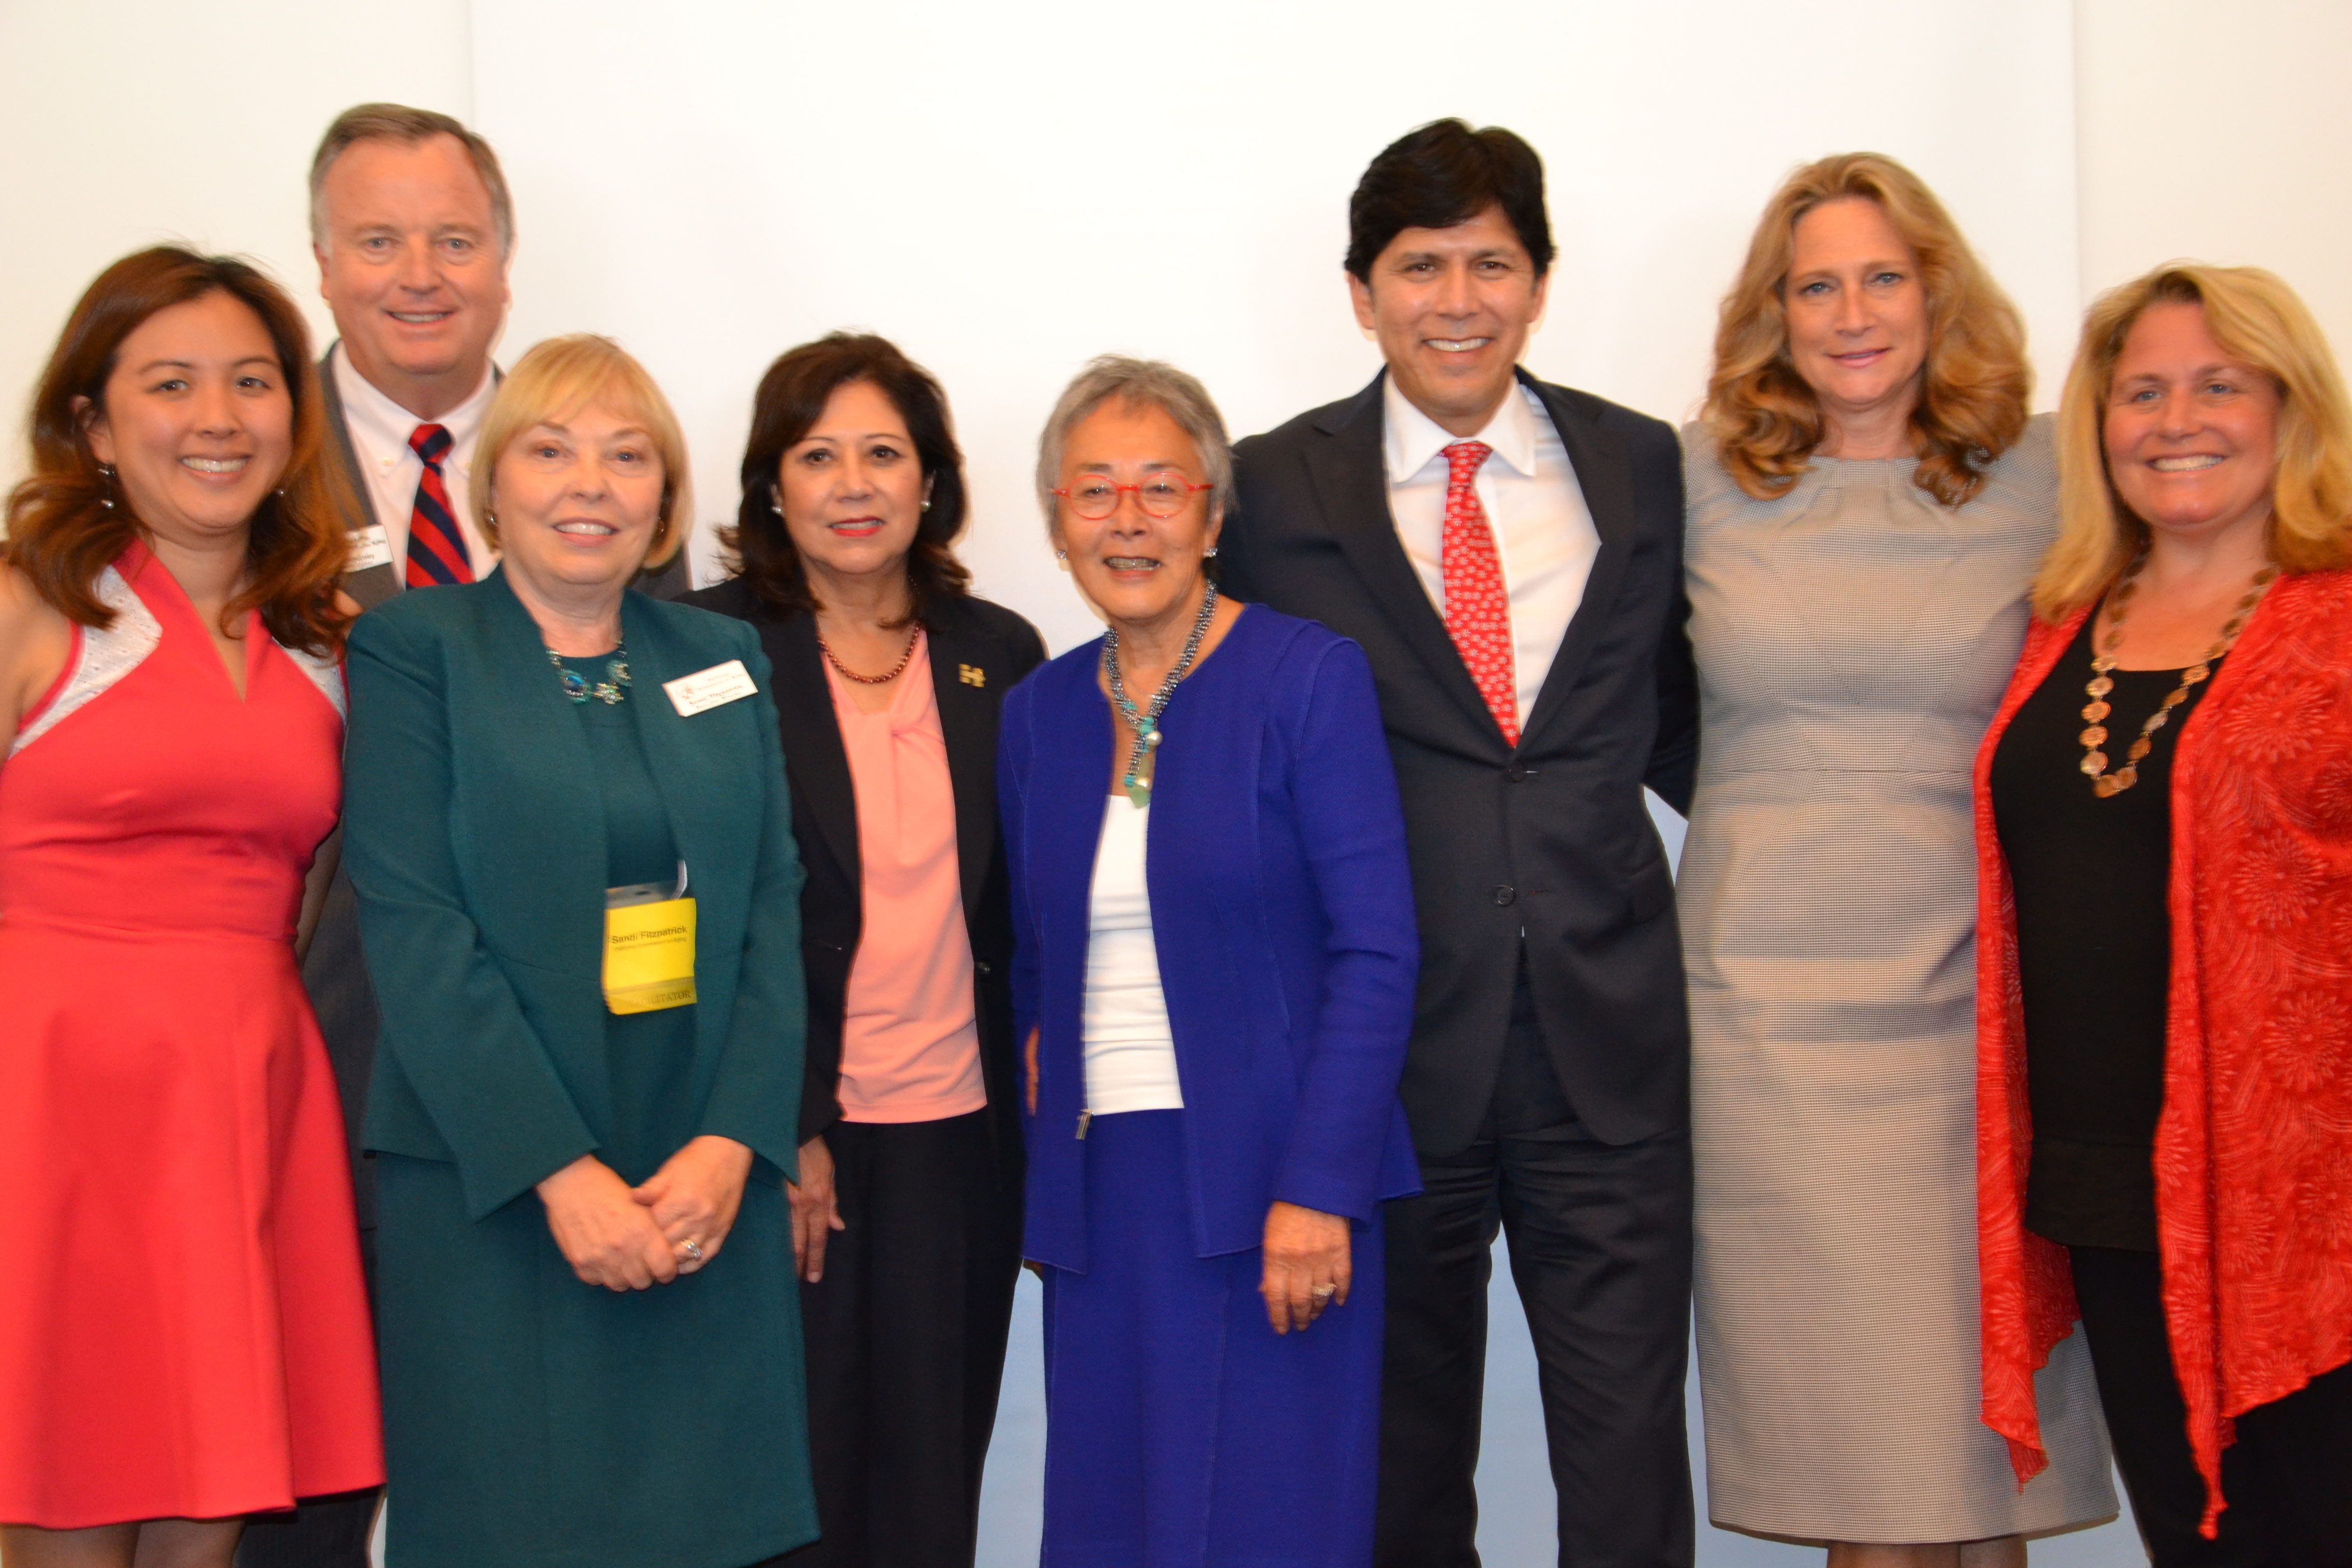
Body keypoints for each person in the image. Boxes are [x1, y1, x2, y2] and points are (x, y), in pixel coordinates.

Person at [1220, 119, 1698, 1567]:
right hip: (1385, 1061)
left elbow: (1685, 712)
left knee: (1625, 1464)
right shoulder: (1265, 492)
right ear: (1362, 292)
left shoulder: (1642, 466)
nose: (1459, 298)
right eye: (1421, 264)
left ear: (1541, 283)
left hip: (1608, 1045)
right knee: (1400, 1469)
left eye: (1493, 261)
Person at [1677, 153, 2116, 1566]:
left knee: (1982, 1460)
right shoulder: (1690, 478)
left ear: (1938, 292)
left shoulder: (2053, 466)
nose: (1852, 311)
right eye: (1816, 284)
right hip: (1768, 1039)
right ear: (1773, 312)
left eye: (1883, 276)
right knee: (1864, 1465)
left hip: (1984, 1027)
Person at [279, 107, 692, 1566]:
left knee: (543, 1491)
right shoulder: (245, 462)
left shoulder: (607, 470)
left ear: (505, 263)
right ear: (321, 261)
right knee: (304, 1483)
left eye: (455, 238)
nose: (420, 273)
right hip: (311, 1067)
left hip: (580, 1094)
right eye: (379, 239)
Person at [340, 334, 815, 1568]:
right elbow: (416, 927)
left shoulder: (723, 660)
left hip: (699, 1176)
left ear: (666, 498)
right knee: (511, 1524)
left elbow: (769, 906)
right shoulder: (415, 653)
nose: (589, 485)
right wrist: (561, 1172)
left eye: (627, 455)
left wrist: (732, 1145)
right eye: (551, 451)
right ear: (495, 483)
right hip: (496, 1180)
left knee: (707, 1524)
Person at [1002, 356, 1421, 1565]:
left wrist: (1320, 1186)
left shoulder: (1305, 676)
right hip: (1104, 1198)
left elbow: (1378, 950)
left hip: (1275, 1191)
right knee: (1114, 1526)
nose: (1127, 520)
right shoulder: (1037, 716)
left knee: (1270, 1527)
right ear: (1056, 523)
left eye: (1160, 488)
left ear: (1213, 514)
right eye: (1094, 493)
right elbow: (1039, 967)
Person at [0, 248, 381, 1567]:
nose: (219, 418)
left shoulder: (325, 638)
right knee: (58, 1511)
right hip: (46, 1110)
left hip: (242, 1102)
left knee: (202, 1528)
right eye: (172, 384)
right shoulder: (26, 607)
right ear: (94, 424)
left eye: (253, 382)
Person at [1979, 263, 2352, 1565]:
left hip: (2310, 1214)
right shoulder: (2063, 620)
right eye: (2141, 391)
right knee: (2199, 1548)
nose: (2174, 418)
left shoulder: (2339, 620)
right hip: (2110, 1192)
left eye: (2217, 385)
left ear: (2290, 407)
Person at [681, 332, 1042, 1566]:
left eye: (883, 453)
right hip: (783, 1141)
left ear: (930, 481)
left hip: (958, 1135)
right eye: (817, 453)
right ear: (770, 485)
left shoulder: (1002, 653)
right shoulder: (702, 648)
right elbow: (694, 917)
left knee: (933, 1482)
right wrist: (779, 1117)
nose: (852, 483)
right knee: (789, 1490)